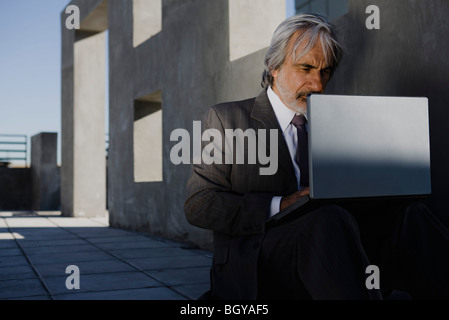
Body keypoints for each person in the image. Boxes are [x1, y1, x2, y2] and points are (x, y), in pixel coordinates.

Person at [184, 13, 449, 300]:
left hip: (332, 249)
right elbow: (199, 204)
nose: (318, 84)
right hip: (260, 259)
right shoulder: (227, 119)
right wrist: (281, 204)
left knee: (411, 215)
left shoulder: (338, 122)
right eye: (306, 68)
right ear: (273, 66)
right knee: (326, 219)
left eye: (325, 71)